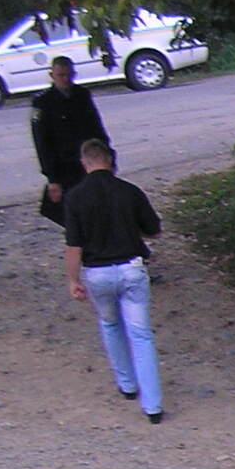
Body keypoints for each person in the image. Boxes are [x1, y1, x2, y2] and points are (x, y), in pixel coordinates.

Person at [62, 139, 165, 423]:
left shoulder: (75, 197)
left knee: (110, 324)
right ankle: (153, 405)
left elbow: (73, 246)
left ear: (85, 163)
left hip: (98, 273)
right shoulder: (129, 191)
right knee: (141, 334)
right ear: (110, 160)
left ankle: (127, 384)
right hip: (131, 269)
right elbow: (154, 231)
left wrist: (73, 280)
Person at [31, 55, 110, 227]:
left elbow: (96, 127)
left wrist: (108, 154)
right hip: (64, 166)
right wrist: (52, 178)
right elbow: (42, 144)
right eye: (61, 75)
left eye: (69, 75)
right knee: (70, 213)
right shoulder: (43, 102)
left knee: (97, 208)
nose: (66, 79)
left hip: (89, 161)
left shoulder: (81, 95)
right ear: (52, 75)